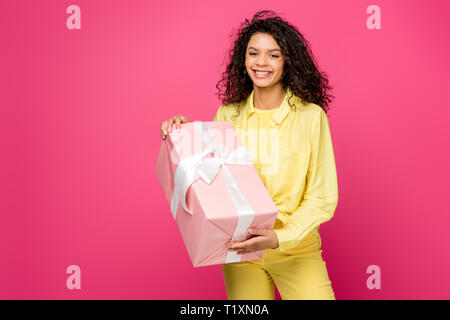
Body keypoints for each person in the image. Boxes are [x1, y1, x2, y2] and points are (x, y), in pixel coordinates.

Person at [159, 10, 338, 300]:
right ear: (243, 60)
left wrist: (280, 236)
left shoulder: (310, 117)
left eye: (273, 55)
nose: (261, 63)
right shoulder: (228, 115)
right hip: (241, 249)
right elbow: (212, 179)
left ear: (287, 61)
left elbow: (322, 196)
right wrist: (181, 134)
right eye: (253, 53)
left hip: (295, 248)